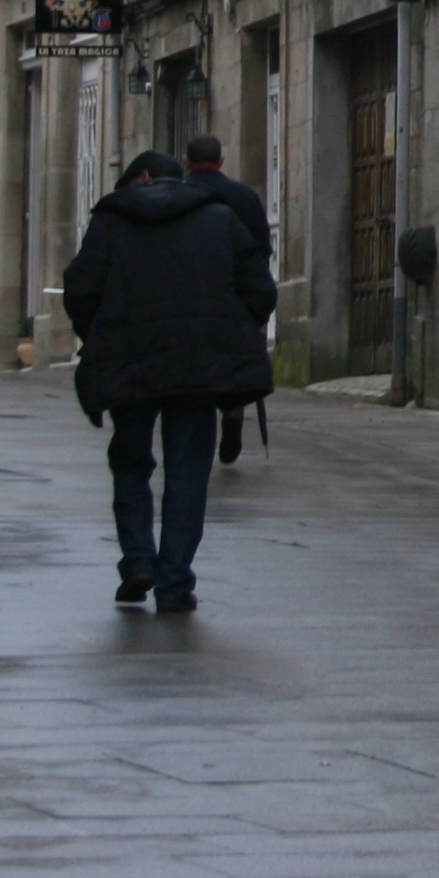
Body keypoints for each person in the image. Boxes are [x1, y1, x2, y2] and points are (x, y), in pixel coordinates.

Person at [61, 149, 274, 614]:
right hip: (199, 367)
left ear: (139, 177)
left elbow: (80, 289)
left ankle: (138, 559)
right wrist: (227, 331)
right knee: (188, 474)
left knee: (131, 464)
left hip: (129, 363)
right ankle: (175, 581)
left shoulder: (112, 220)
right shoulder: (220, 219)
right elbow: (260, 290)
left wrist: (102, 333)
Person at [181, 133, 272, 464]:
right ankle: (232, 408)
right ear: (221, 162)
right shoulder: (243, 197)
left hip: (188, 296)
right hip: (232, 298)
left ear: (187, 162)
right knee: (231, 362)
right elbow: (261, 249)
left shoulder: (178, 196)